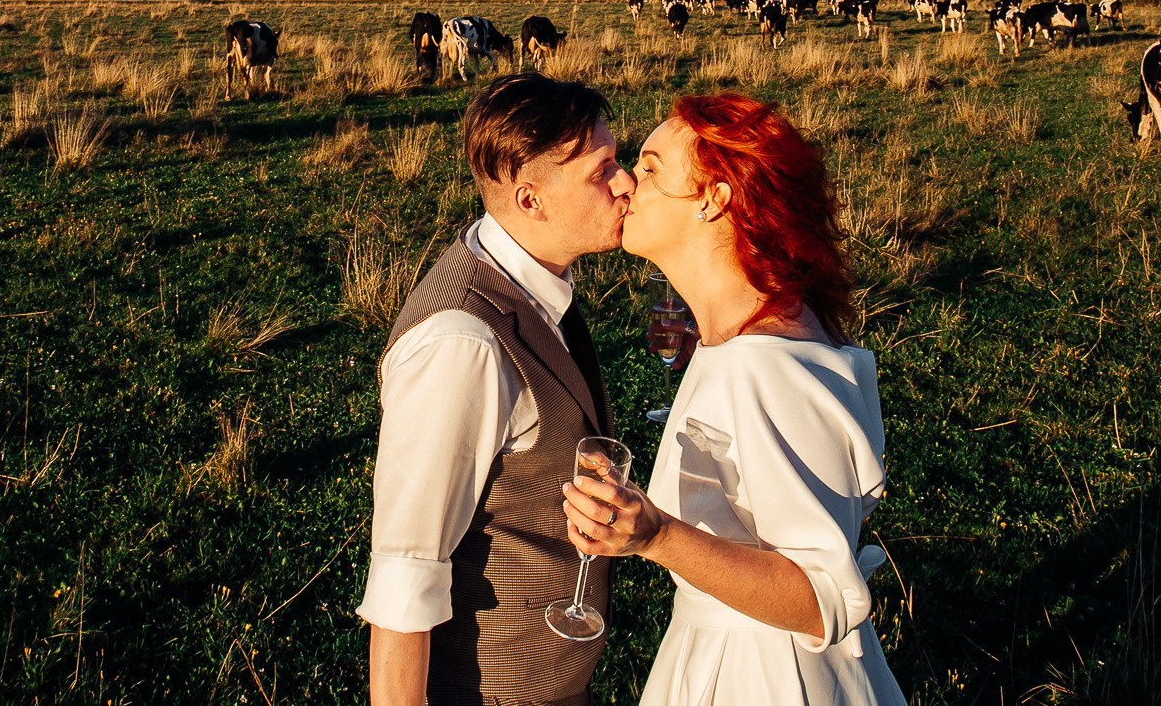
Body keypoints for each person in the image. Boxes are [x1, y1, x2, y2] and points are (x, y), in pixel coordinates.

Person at [563, 93, 906, 706]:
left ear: (715, 199)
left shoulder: (762, 367)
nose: (625, 186)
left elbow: (819, 598)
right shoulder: (765, 323)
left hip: (762, 676)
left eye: (650, 169)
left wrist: (655, 535)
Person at [359, 72, 637, 706]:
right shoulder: (462, 343)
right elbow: (406, 575)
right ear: (531, 199)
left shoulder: (530, 276)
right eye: (603, 171)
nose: (627, 185)